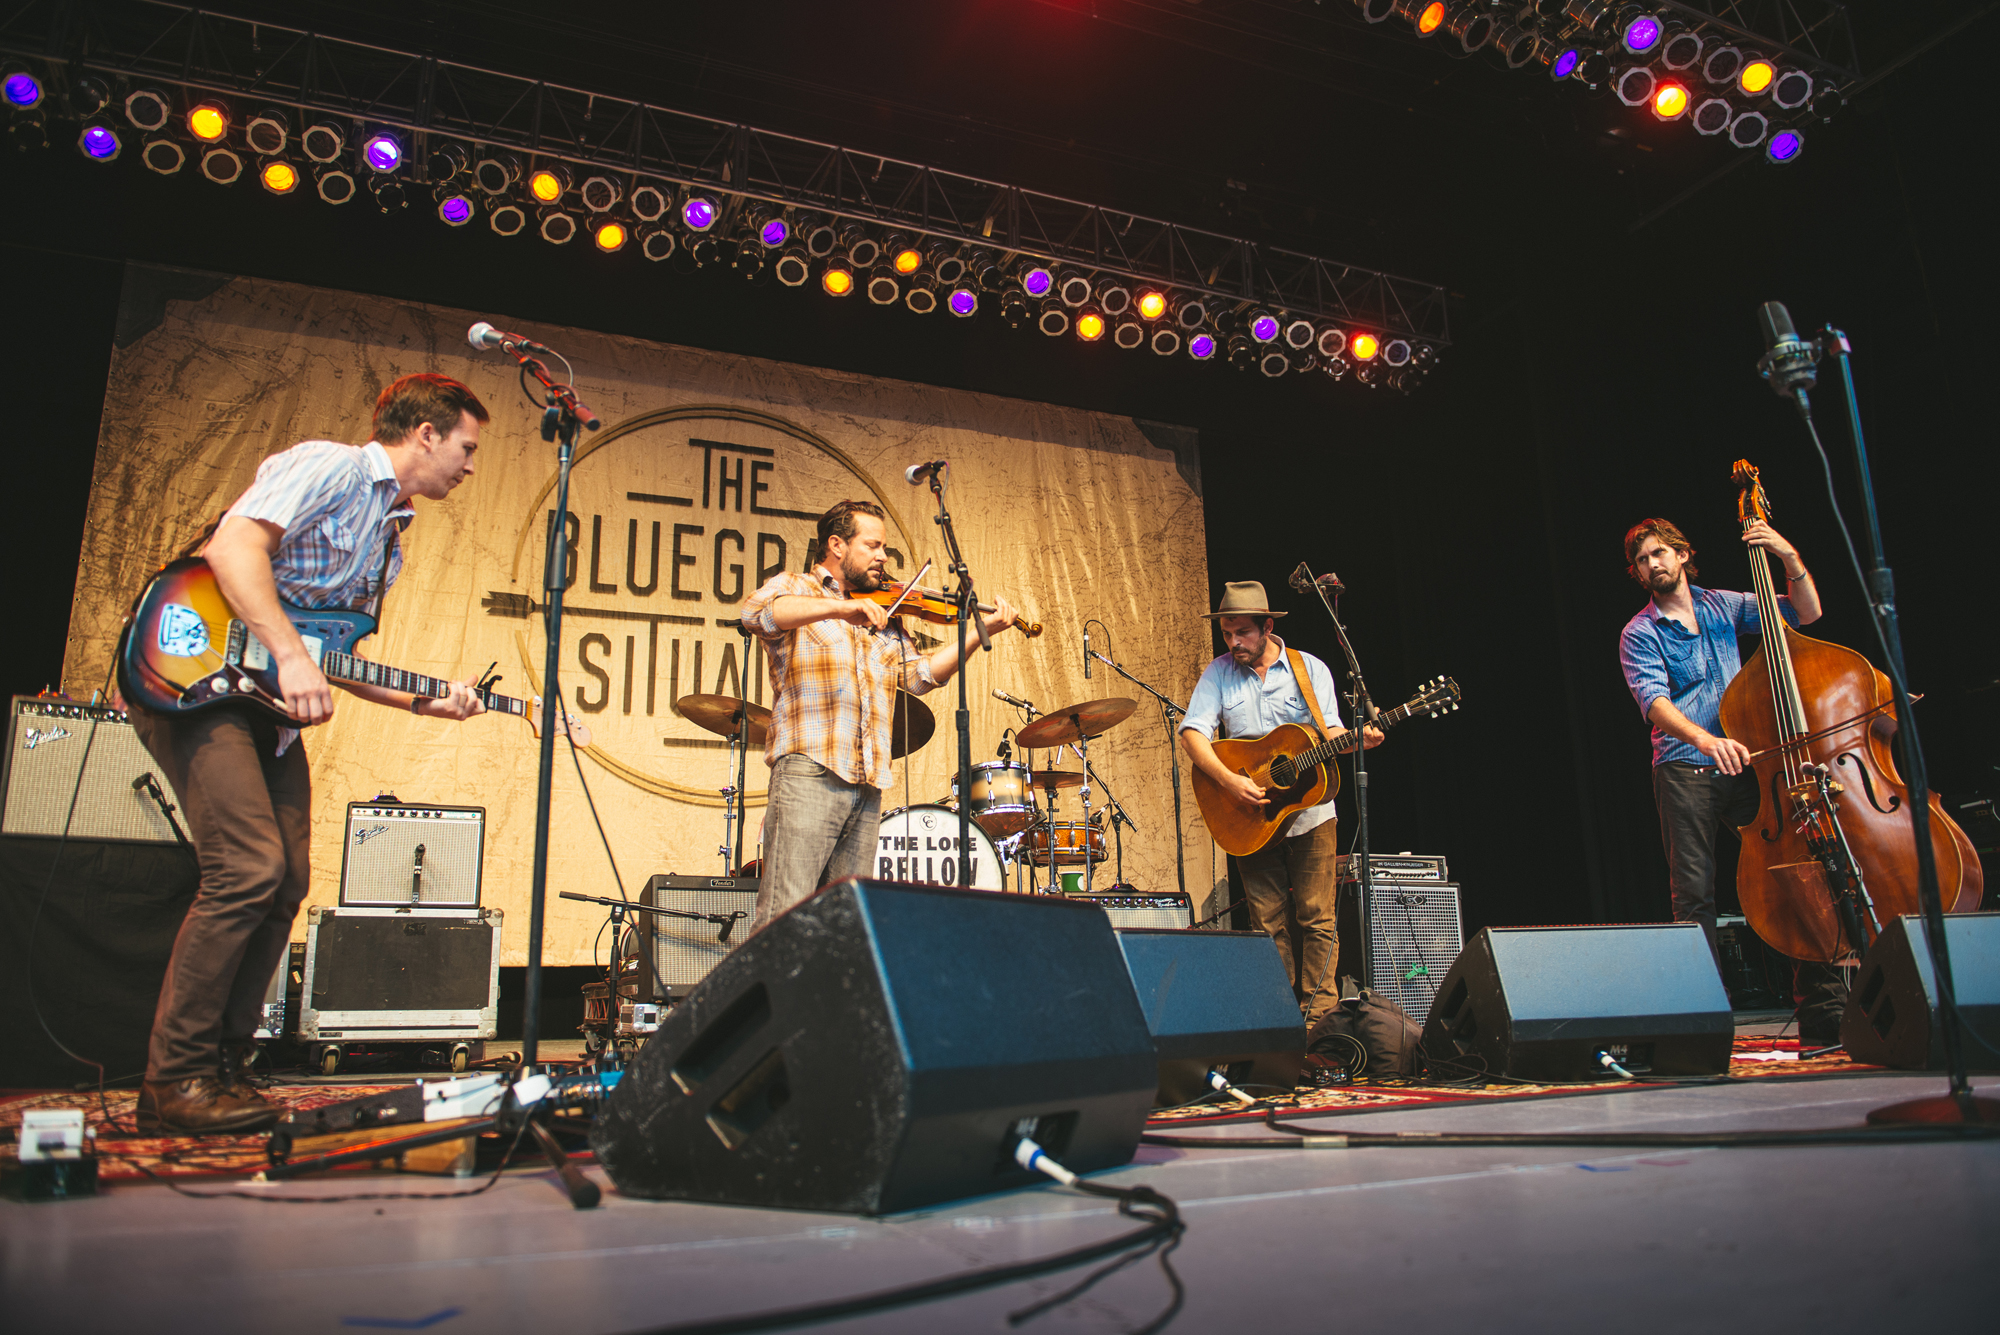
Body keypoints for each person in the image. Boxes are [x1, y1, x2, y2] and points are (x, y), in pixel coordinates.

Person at [124, 373, 493, 1133]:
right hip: (193, 672)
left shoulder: (391, 539)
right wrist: (288, 654)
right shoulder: (329, 465)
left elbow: (338, 657)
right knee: (247, 866)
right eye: (465, 446)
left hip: (265, 711)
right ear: (425, 433)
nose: (469, 464)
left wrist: (430, 699)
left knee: (286, 877)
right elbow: (233, 545)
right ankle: (173, 1077)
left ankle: (226, 1066)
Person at [1616, 515, 1844, 1042]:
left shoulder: (1724, 604)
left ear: (1681, 554)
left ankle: (1823, 1011)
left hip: (1748, 758)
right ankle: (1706, 1022)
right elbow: (1652, 702)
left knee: (1795, 868)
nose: (1654, 564)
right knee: (1694, 893)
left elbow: (1805, 614)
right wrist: (1703, 739)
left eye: (1660, 553)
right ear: (1638, 572)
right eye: (1644, 559)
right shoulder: (1640, 631)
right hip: (1684, 764)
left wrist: (1788, 555)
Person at [741, 499, 1015, 931]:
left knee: (845, 927)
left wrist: (979, 634)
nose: (883, 557)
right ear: (837, 545)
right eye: (872, 545)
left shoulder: (883, 615)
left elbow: (920, 676)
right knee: (784, 916)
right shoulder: (796, 587)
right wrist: (841, 609)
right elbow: (757, 614)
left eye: (883, 547)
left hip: (868, 781)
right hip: (810, 770)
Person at [1180, 581, 1381, 1024]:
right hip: (1251, 816)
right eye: (1227, 633)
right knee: (1266, 924)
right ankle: (1277, 1017)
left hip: (1310, 813)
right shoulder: (1218, 672)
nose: (1234, 642)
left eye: (1243, 633)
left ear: (1268, 627)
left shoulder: (1309, 669)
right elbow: (1194, 733)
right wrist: (1231, 782)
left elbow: (1329, 736)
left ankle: (1319, 1022)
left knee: (1317, 918)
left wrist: (1357, 742)